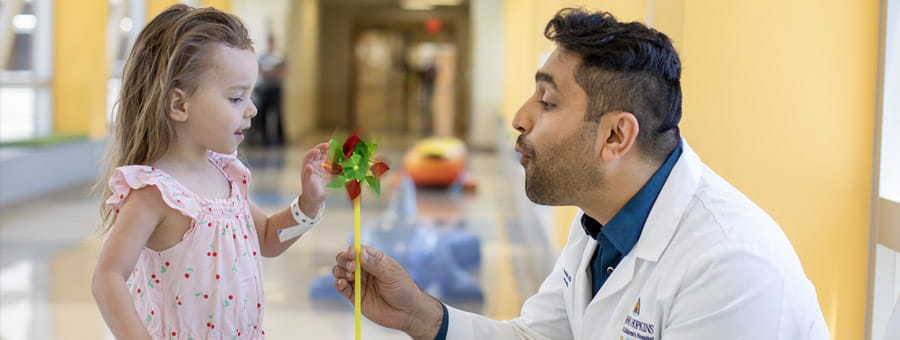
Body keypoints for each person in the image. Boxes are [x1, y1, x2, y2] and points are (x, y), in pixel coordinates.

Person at [332, 8, 829, 339]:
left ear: (616, 136)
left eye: (548, 102)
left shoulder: (731, 268)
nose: (520, 117)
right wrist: (422, 315)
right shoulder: (601, 219)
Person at [91, 5, 329, 339]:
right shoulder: (154, 193)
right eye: (236, 97)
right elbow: (108, 276)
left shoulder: (226, 174)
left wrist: (308, 205)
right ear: (179, 105)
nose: (252, 108)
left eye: (249, 94)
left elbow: (267, 239)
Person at [252, 34, 286, 146]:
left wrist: (271, 72)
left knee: (278, 114)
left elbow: (282, 72)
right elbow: (259, 70)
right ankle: (264, 139)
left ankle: (280, 139)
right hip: (264, 90)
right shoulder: (262, 57)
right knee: (263, 115)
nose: (270, 45)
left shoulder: (279, 56)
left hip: (275, 90)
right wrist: (272, 72)